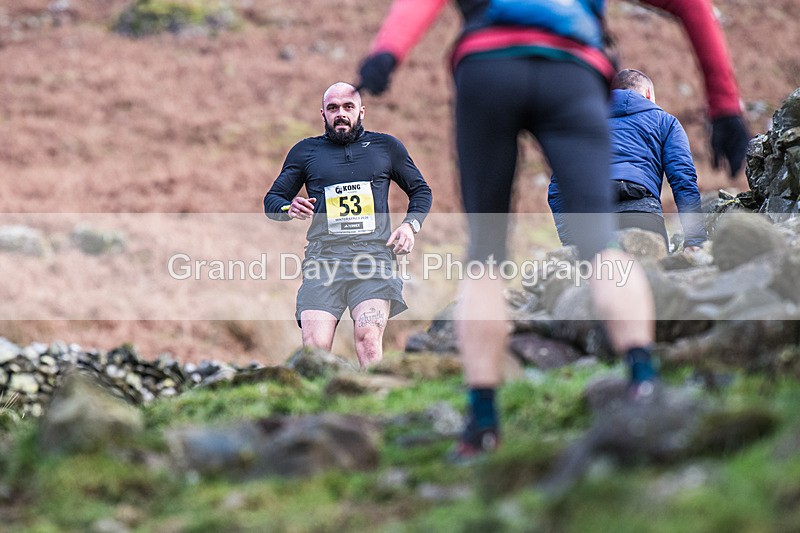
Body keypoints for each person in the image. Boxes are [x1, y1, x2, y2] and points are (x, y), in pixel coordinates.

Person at [356, 0, 750, 458]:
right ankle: (644, 385)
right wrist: (724, 106)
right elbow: (691, 5)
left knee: (485, 257)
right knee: (602, 246)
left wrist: (388, 51)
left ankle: (482, 425)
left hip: (488, 69)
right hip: (572, 72)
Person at [264, 82, 432, 369]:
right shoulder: (305, 152)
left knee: (368, 338)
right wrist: (288, 207)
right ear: (323, 114)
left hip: (373, 257)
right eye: (333, 108)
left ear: (361, 111)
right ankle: (319, 412)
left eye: (347, 107)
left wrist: (409, 226)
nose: (340, 113)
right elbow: (272, 200)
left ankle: (375, 408)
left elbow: (421, 191)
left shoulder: (386, 147)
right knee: (314, 351)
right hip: (324, 259)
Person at [548, 68, 706, 251]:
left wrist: (571, 242)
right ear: (648, 94)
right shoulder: (666, 122)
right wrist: (695, 240)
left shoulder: (584, 124)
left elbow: (557, 187)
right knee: (650, 275)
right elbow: (684, 181)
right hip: (643, 214)